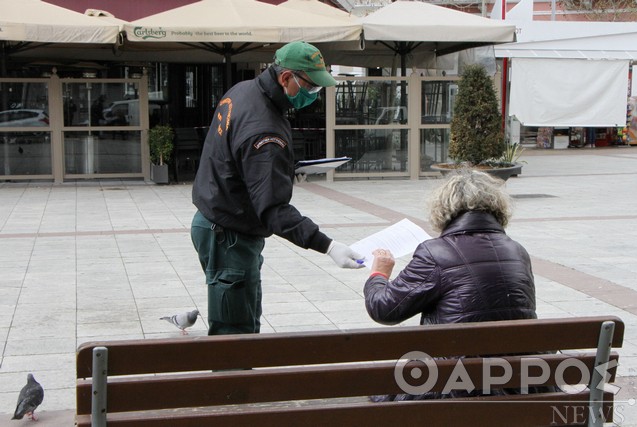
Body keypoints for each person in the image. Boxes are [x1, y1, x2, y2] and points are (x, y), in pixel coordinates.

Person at [191, 41, 364, 336]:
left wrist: (280, 173)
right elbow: (273, 210)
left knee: (240, 315)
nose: (314, 94)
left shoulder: (242, 91)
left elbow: (234, 157)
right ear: (286, 78)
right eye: (310, 86)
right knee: (236, 335)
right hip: (230, 234)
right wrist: (328, 245)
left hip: (213, 218)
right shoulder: (266, 128)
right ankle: (234, 383)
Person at [364, 169, 537, 400]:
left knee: (383, 391)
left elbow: (384, 309)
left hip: (455, 386)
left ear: (444, 209)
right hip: (520, 383)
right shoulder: (517, 251)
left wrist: (378, 274)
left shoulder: (436, 253)